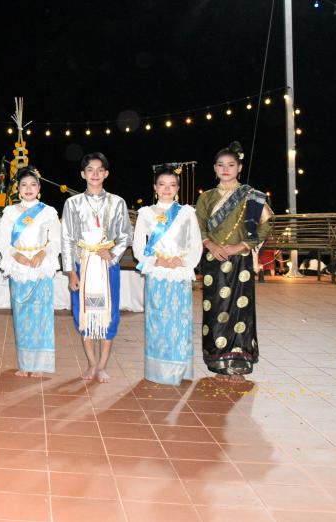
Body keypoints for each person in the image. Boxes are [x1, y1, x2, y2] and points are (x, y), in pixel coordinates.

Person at [196, 141, 272, 378]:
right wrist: (211, 245)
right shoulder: (206, 198)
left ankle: (239, 362)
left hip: (241, 262)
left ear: (239, 168)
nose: (226, 169)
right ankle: (218, 362)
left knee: (241, 311)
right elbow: (198, 228)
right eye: (221, 165)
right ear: (215, 168)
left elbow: (266, 226)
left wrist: (240, 246)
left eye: (231, 165)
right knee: (214, 311)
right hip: (214, 261)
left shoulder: (252, 196)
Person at [61, 152, 131, 383]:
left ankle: (102, 366)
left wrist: (113, 254)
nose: (95, 174)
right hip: (82, 264)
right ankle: (91, 363)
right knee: (83, 314)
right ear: (83, 174)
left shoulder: (117, 202)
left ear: (106, 173)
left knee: (108, 314)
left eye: (100, 170)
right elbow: (67, 239)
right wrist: (71, 272)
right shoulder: (72, 203)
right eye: (90, 170)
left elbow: (125, 235)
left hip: (107, 267)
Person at [133, 166, 203, 385]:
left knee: (179, 321)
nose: (167, 189)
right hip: (157, 273)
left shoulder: (186, 213)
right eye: (162, 184)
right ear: (155, 187)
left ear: (177, 188)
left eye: (172, 185)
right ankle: (158, 370)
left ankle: (180, 369)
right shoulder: (145, 213)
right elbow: (138, 246)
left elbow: (195, 244)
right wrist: (156, 261)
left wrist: (183, 261)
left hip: (179, 274)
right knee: (157, 321)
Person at [0, 167, 61, 377]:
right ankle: (25, 364)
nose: (28, 188)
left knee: (42, 315)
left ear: (39, 187)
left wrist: (43, 254)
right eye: (24, 185)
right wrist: (16, 256)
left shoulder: (48, 212)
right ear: (18, 188)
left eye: (33, 184)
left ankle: (41, 365)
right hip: (19, 267)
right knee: (22, 315)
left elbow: (56, 241)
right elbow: (2, 242)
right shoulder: (10, 212)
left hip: (41, 267)